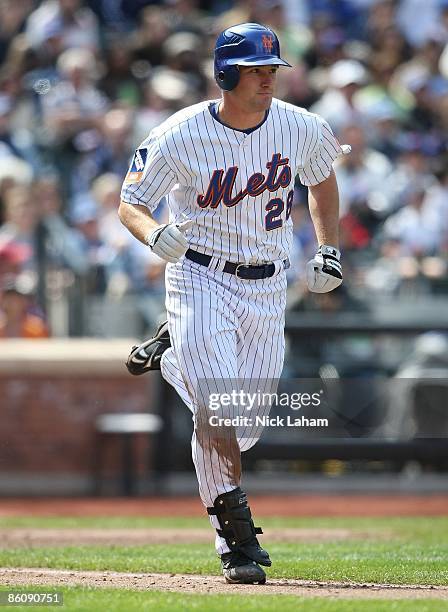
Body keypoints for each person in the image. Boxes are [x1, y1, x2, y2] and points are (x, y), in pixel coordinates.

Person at [119, 22, 345, 585]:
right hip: (199, 276)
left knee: (242, 427)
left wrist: (329, 248)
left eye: (272, 69)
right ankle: (236, 541)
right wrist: (152, 235)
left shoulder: (301, 127)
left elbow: (322, 180)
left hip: (266, 286)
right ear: (226, 73)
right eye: (256, 70)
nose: (268, 79)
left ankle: (174, 356)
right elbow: (131, 201)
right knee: (219, 408)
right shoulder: (181, 133)